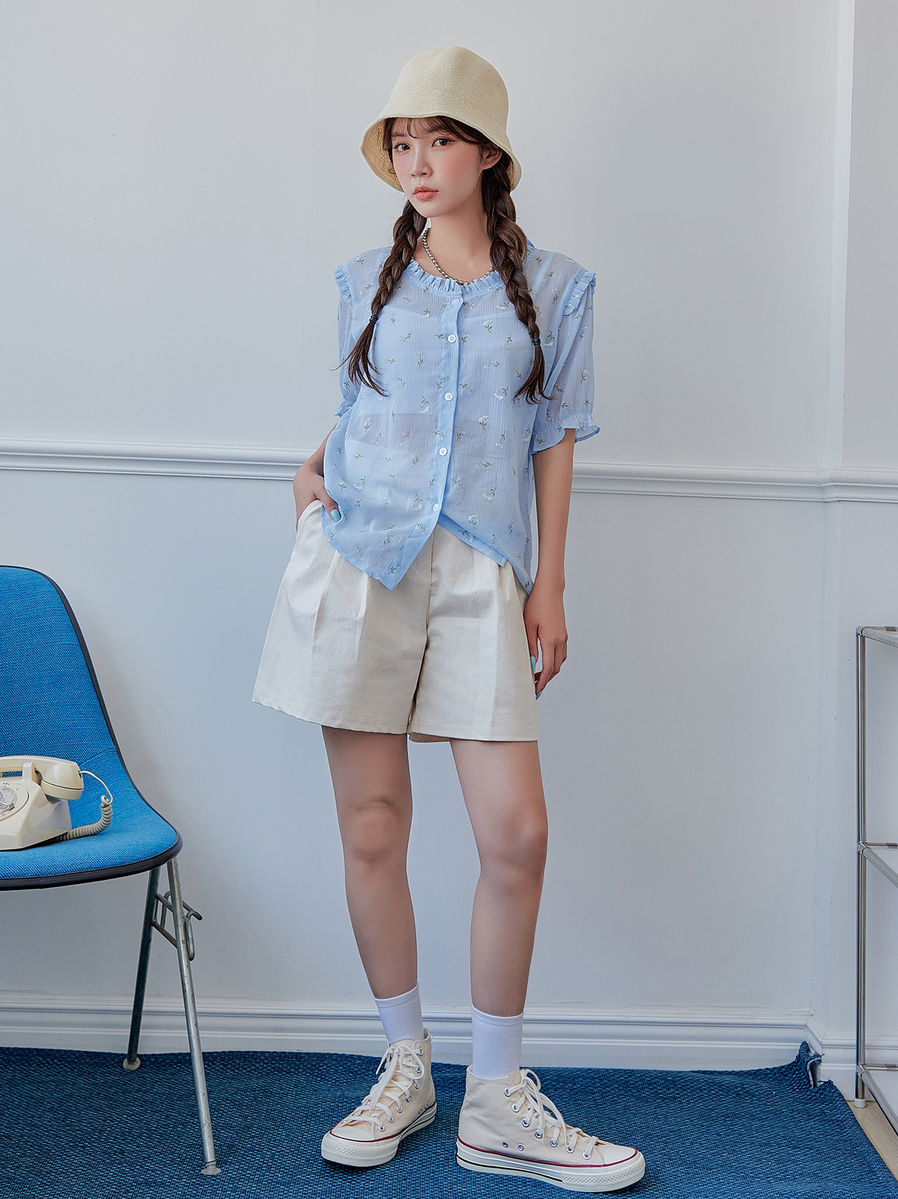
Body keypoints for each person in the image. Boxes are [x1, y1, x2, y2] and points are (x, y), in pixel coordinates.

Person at [253, 45, 645, 1193]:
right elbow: (359, 408)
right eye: (403, 144)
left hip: (484, 568)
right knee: (374, 825)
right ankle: (403, 1063)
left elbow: (552, 434)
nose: (418, 163)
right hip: (360, 564)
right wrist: (308, 474)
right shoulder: (361, 280)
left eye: (440, 140)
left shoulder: (560, 288)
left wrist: (551, 581)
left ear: (488, 154)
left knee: (515, 832)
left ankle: (498, 1096)